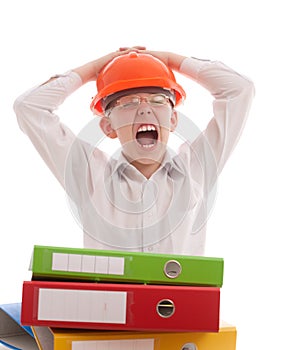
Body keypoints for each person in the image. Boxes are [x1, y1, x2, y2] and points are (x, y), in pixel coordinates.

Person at [14, 47, 255, 255]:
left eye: (158, 100)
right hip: (109, 307)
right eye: (128, 103)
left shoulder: (196, 168)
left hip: (178, 307)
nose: (144, 110)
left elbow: (239, 90)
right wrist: (94, 68)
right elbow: (29, 107)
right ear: (108, 127)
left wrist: (171, 60)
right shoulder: (90, 175)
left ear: (173, 120)